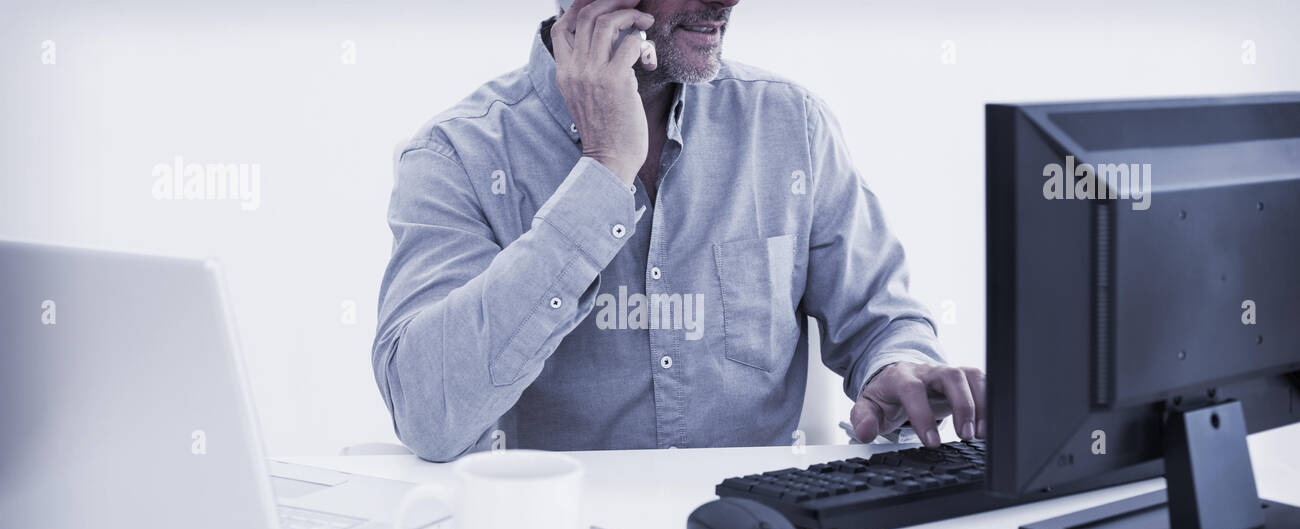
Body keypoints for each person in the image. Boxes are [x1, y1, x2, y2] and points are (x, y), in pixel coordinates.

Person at [373, 0, 985, 461]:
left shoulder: (788, 123)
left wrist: (897, 366)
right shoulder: (457, 154)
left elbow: (879, 317)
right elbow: (430, 415)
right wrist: (604, 171)